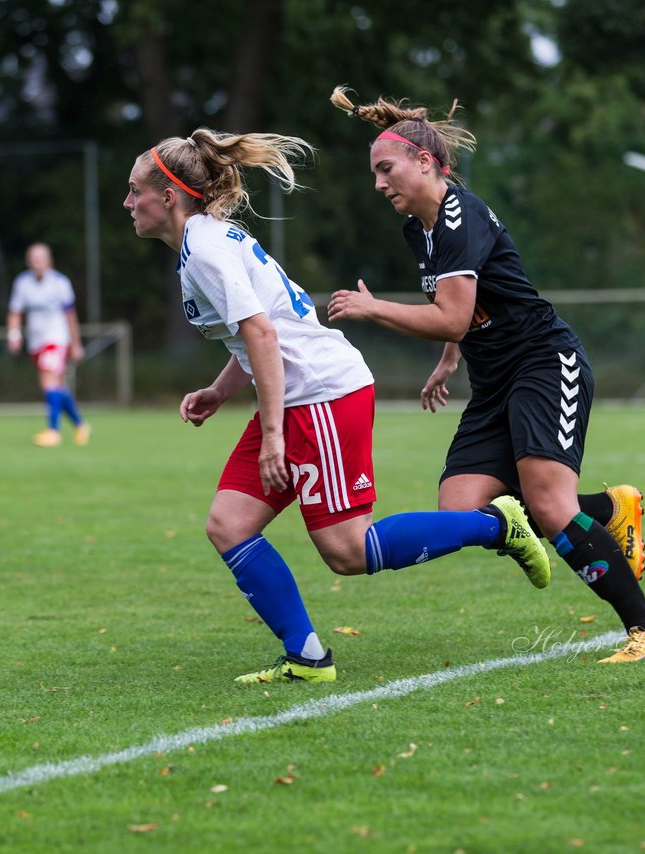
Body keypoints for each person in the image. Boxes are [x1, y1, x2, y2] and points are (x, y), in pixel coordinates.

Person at [124, 128, 557, 683]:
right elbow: (256, 332)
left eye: (135, 190)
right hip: (295, 397)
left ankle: (495, 527)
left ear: (169, 196)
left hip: (322, 395)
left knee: (349, 552)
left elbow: (263, 334)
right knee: (229, 525)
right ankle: (307, 658)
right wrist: (221, 390)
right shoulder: (205, 240)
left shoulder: (205, 248)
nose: (128, 202)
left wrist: (275, 435)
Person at [326, 87, 645, 663]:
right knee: (459, 510)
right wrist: (448, 357)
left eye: (385, 170)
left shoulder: (460, 215)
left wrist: (373, 309)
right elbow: (463, 311)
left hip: (543, 363)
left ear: (424, 162)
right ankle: (611, 510)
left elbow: (453, 314)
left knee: (548, 503)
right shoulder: (421, 228)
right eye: (375, 174)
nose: (379, 184)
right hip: (493, 382)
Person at [7, 243, 90, 447]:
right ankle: (81, 425)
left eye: (40, 259)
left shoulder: (60, 283)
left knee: (48, 383)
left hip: (56, 338)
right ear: (28, 261)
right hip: (36, 341)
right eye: (33, 259)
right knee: (57, 387)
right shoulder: (22, 283)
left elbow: (70, 316)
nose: (37, 263)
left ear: (49, 261)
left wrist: (76, 343)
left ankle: (53, 431)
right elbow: (15, 312)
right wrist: (14, 335)